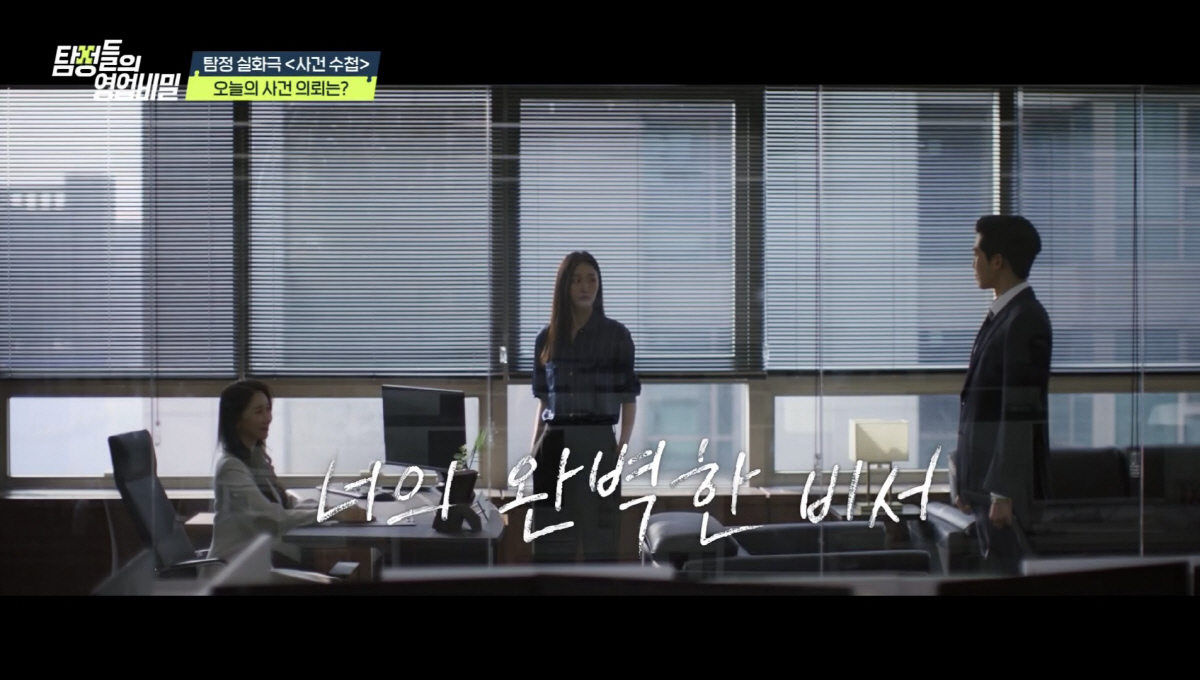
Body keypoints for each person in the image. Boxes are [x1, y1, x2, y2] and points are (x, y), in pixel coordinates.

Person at [952, 215, 1053, 575]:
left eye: (976, 254)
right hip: (984, 484)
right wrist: (964, 477)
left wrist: (1002, 492)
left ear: (997, 261)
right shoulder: (1003, 315)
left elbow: (1019, 412)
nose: (972, 263)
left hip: (1003, 492)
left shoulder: (1025, 319)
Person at [530, 251, 641, 563]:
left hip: (597, 443)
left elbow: (628, 397)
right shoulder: (546, 338)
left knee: (600, 543)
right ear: (564, 286)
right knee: (550, 544)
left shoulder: (616, 336)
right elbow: (544, 401)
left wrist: (621, 448)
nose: (585, 287)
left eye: (591, 279)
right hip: (553, 444)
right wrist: (533, 450)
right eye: (577, 280)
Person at [209, 379, 367, 566]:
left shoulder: (254, 459)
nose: (268, 418)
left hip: (261, 561)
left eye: (268, 409)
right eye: (259, 412)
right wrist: (332, 513)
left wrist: (333, 508)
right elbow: (271, 518)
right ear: (237, 420)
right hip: (236, 569)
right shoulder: (231, 468)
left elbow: (287, 503)